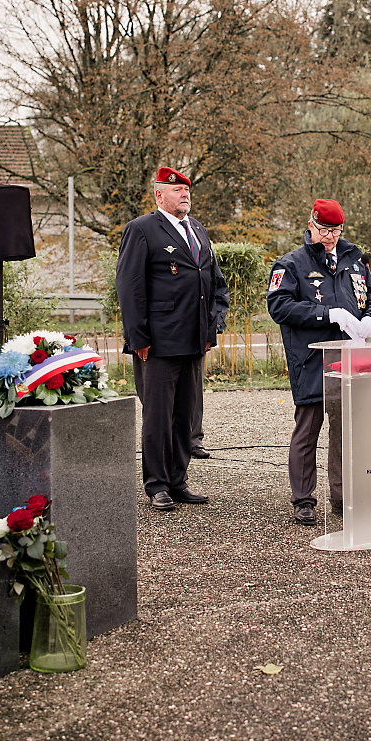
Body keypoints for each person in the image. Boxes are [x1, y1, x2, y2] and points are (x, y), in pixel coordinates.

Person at [267, 199, 371, 527]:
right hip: (312, 359)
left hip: (350, 358)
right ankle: (303, 499)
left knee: (345, 431)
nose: (330, 237)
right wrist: (327, 313)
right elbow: (279, 306)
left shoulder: (355, 259)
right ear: (311, 225)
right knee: (307, 431)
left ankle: (342, 496)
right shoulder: (291, 264)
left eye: (336, 231)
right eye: (324, 230)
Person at [116, 166, 217, 511]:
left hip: (193, 340)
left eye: (187, 190)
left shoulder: (197, 230)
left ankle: (178, 480)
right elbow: (129, 286)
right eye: (177, 190)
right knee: (158, 418)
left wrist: (210, 330)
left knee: (185, 417)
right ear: (159, 195)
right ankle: (157, 485)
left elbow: (212, 282)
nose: (184, 194)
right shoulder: (142, 229)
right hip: (158, 342)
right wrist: (138, 337)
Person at [191, 262, 230, 458]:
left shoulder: (203, 248)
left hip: (196, 334)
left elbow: (219, 289)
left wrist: (214, 326)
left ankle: (193, 440)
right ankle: (165, 445)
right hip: (164, 334)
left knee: (194, 390)